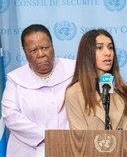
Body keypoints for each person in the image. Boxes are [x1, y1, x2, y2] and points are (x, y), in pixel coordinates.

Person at [2, 24, 75, 156]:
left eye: (45, 48)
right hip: (27, 150)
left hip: (69, 144)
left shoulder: (74, 70)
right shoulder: (15, 79)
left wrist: (66, 135)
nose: (41, 54)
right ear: (25, 52)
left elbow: (84, 108)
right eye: (33, 50)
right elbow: (10, 116)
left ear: (53, 46)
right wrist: (47, 136)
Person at [65, 29, 127, 130]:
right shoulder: (74, 93)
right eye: (100, 48)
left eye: (110, 47)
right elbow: (80, 140)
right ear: (87, 53)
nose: (108, 53)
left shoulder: (122, 91)